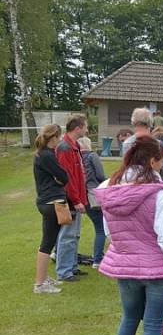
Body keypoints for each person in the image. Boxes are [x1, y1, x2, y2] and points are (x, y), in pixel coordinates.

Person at [95, 136, 163, 335]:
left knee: (129, 317)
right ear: (152, 161)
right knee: (152, 324)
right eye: (161, 161)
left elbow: (107, 231)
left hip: (124, 263)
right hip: (154, 269)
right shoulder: (158, 194)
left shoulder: (109, 186)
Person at [33, 124, 68, 294]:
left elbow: (60, 177)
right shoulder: (47, 156)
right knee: (47, 243)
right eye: (59, 137)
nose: (60, 140)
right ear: (53, 138)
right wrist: (59, 178)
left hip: (47, 201)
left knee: (49, 241)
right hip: (51, 202)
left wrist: (59, 178)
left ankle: (44, 278)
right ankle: (40, 284)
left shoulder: (44, 155)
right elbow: (64, 177)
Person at [54, 114, 89, 282]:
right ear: (78, 128)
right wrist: (76, 200)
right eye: (85, 126)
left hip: (77, 198)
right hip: (69, 200)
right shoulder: (65, 148)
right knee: (67, 235)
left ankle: (72, 266)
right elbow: (66, 178)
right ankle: (64, 271)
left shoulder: (74, 146)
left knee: (74, 235)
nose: (87, 129)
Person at [78, 137, 107, 268]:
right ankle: (97, 259)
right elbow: (100, 175)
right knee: (101, 228)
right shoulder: (92, 156)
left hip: (81, 195)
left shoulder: (76, 157)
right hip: (93, 195)